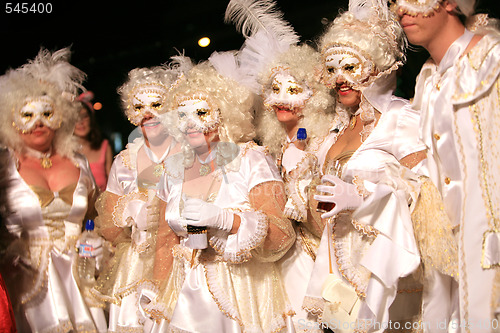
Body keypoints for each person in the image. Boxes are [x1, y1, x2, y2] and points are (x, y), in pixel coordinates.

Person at [301, 0, 429, 330]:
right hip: (334, 270)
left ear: (377, 67)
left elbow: (426, 191)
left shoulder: (400, 118)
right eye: (332, 69)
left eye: (351, 67)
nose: (341, 79)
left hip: (379, 269)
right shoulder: (337, 129)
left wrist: (363, 199)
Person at [153, 53, 295, 332]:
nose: (191, 124)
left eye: (201, 112)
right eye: (183, 115)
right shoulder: (172, 169)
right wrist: (158, 296)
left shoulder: (250, 158)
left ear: (225, 113)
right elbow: (163, 241)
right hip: (183, 296)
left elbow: (281, 234)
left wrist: (228, 220)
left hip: (242, 294)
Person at [224, 2, 337, 329]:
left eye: (294, 89)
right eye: (275, 89)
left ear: (313, 95)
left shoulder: (324, 144)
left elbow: (322, 220)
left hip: (319, 259)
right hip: (278, 260)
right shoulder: (267, 149)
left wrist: (303, 177)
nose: (282, 99)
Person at [395, 0, 500, 330]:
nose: (401, 11)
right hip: (449, 264)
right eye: (395, 2)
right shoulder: (427, 79)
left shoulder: (492, 61)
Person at [0, 48, 107, 332]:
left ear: (60, 116)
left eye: (47, 113)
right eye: (28, 114)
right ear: (12, 118)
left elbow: (96, 216)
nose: (38, 123)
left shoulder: (78, 161)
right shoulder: (5, 165)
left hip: (79, 276)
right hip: (27, 283)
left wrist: (96, 240)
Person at [91, 62, 186, 332]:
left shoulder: (189, 154)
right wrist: (129, 213)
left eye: (156, 105)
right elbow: (110, 227)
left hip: (181, 263)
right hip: (135, 266)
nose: (148, 114)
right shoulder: (123, 162)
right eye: (138, 107)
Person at [74, 91, 113, 192]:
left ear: (91, 118)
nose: (81, 122)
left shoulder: (104, 146)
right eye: (75, 118)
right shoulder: (64, 152)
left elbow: (113, 185)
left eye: (84, 116)